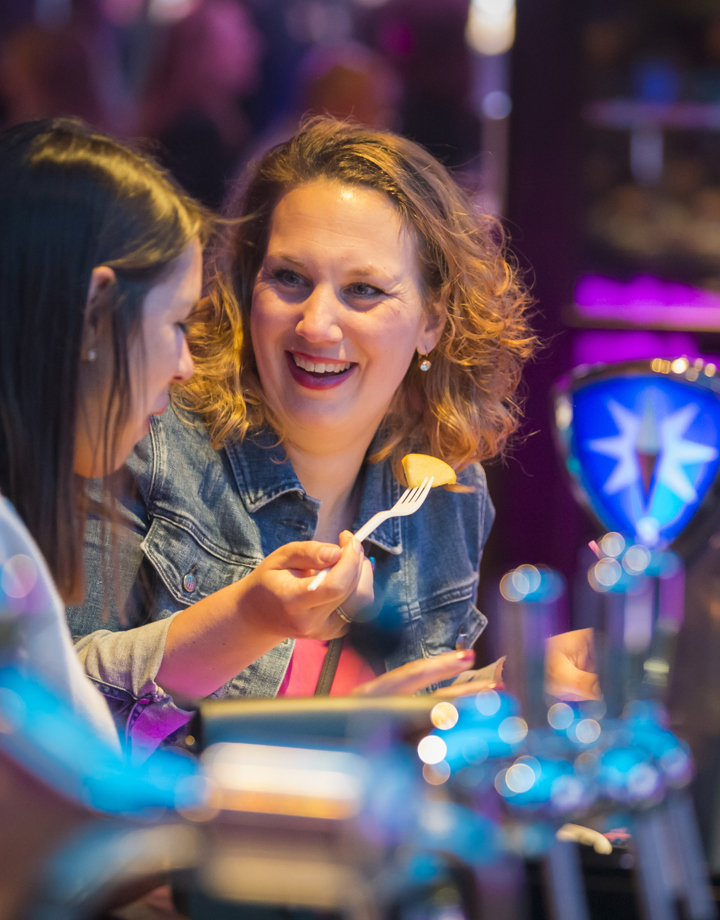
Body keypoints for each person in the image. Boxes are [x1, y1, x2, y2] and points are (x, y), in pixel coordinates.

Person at [68, 118, 597, 751]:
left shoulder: (446, 493)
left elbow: (397, 727)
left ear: (433, 320)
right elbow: (46, 706)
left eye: (363, 290)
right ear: (247, 285)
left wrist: (501, 687)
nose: (316, 324)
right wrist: (246, 622)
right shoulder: (145, 439)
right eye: (290, 277)